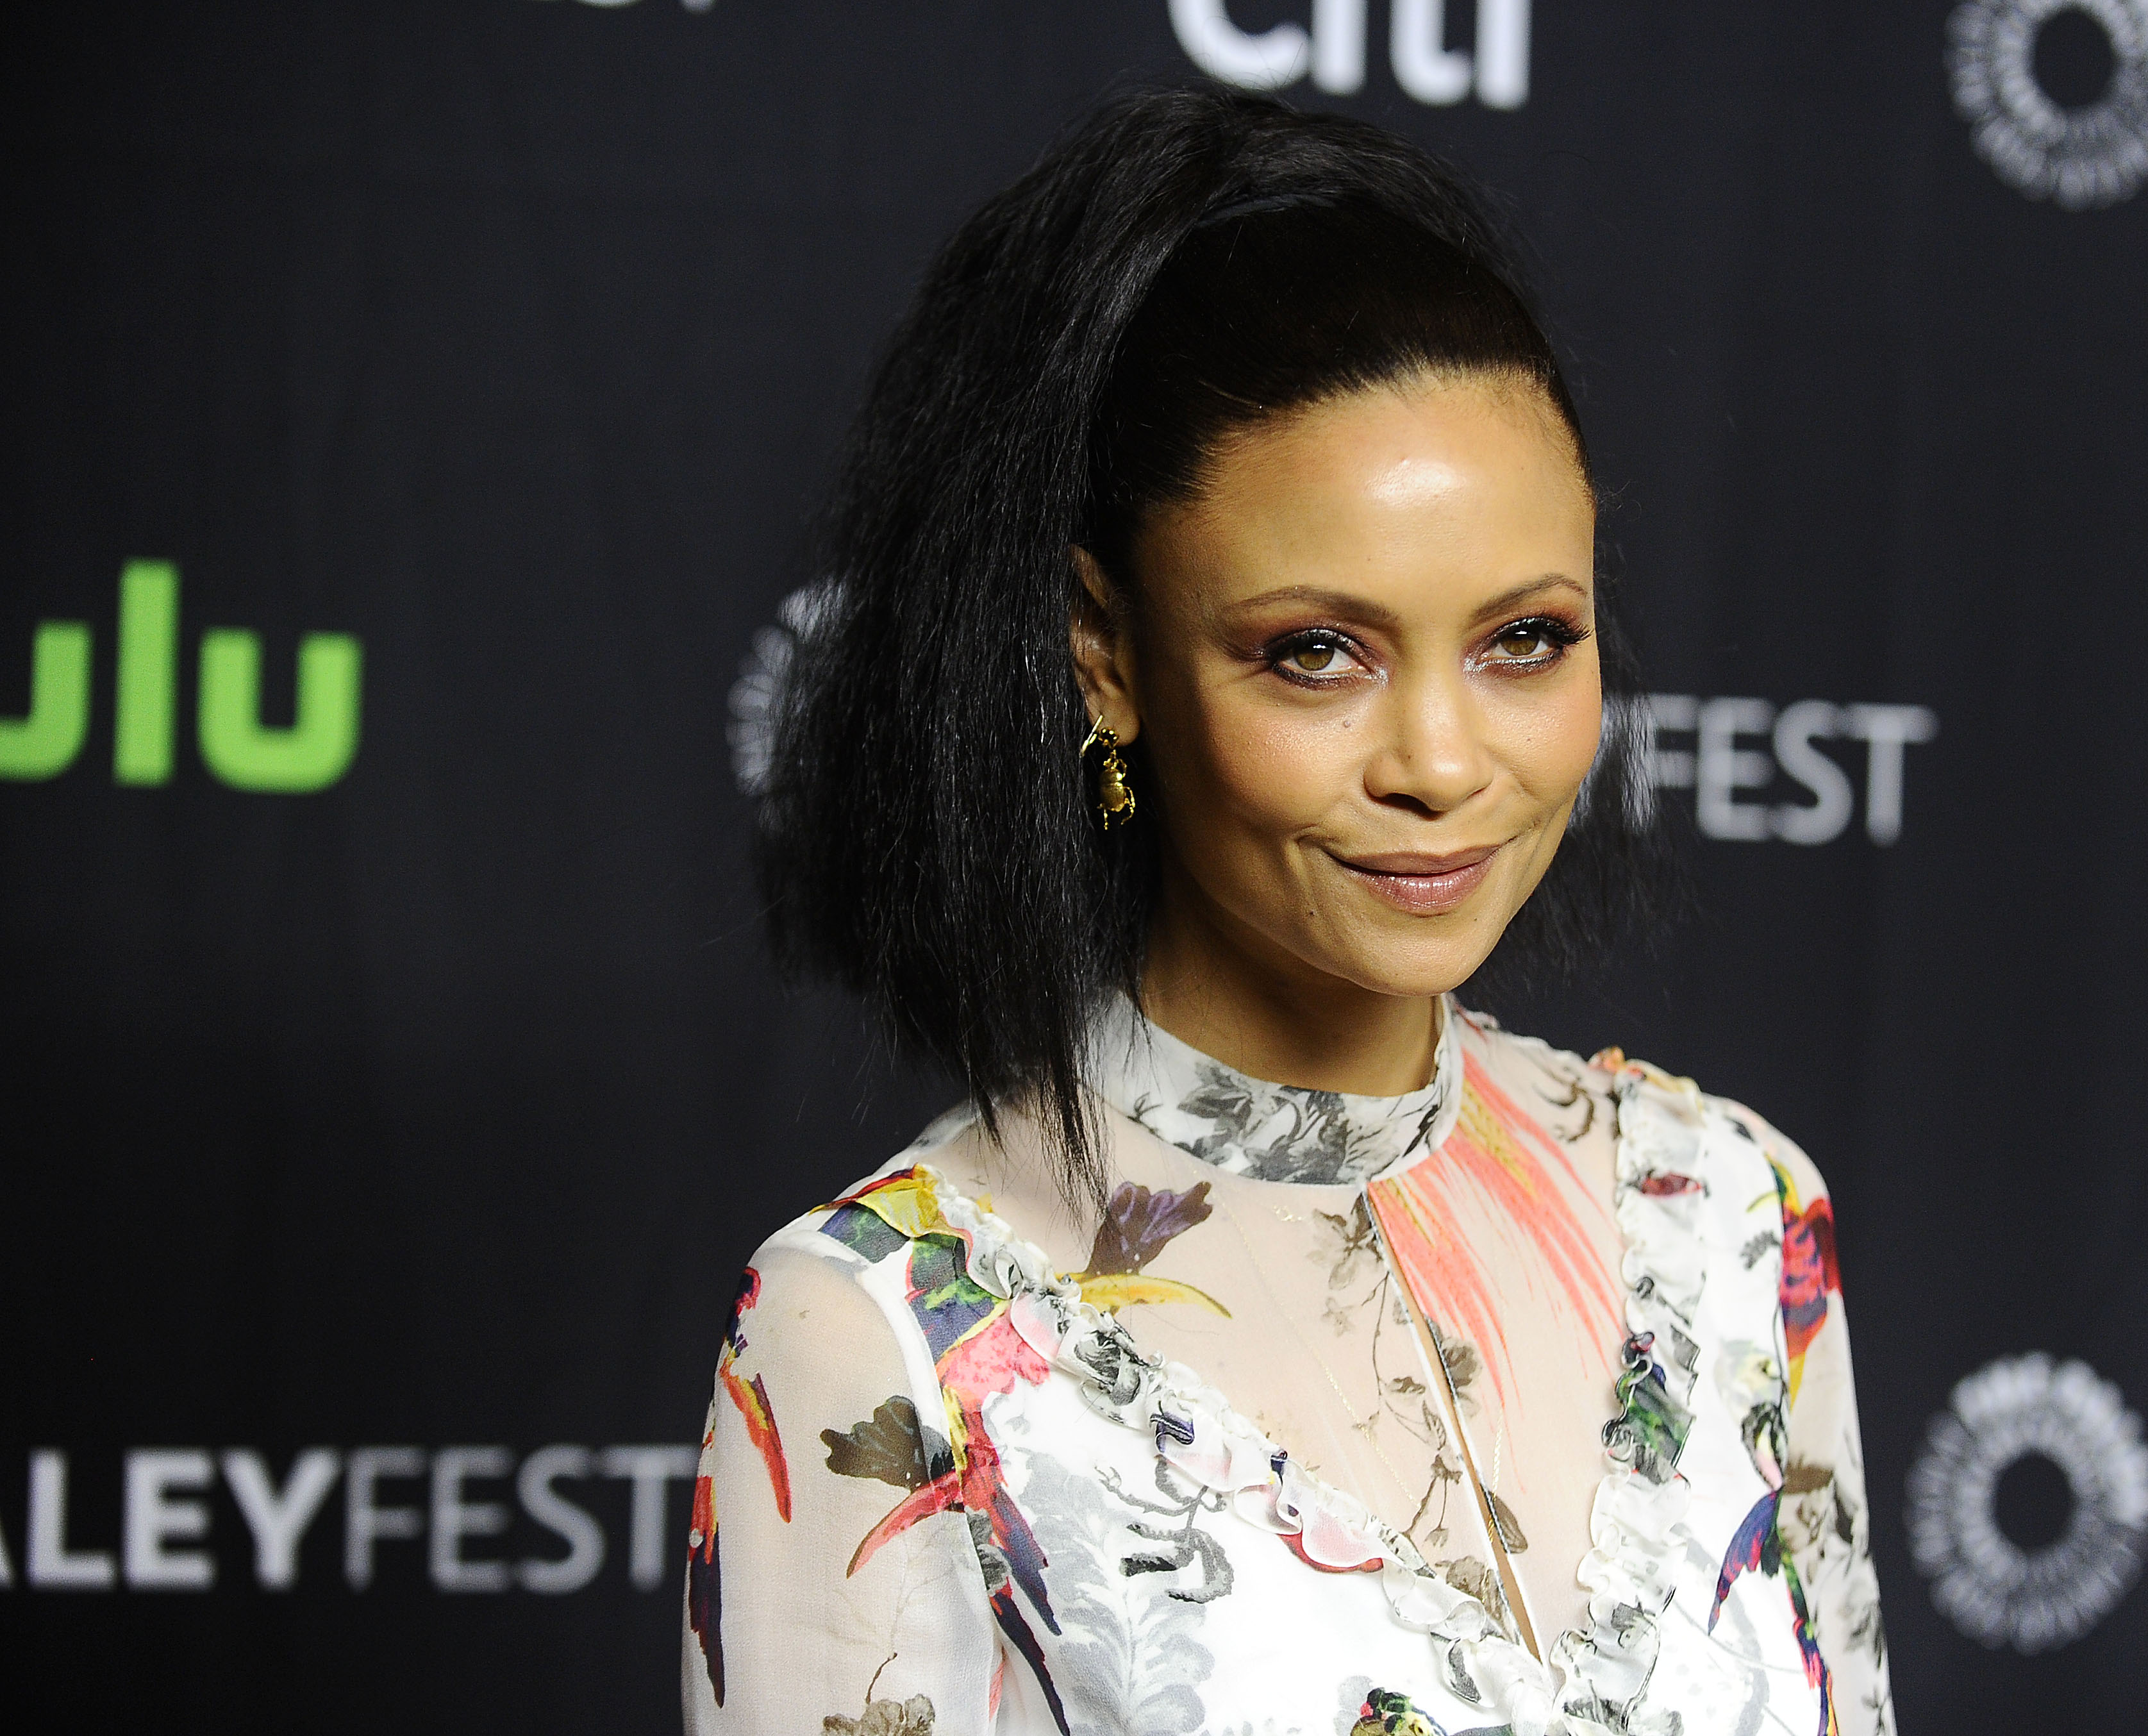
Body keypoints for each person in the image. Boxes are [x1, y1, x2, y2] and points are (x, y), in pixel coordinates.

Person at [690, 86, 1891, 1736]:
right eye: (1313, 651)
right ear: (1102, 655)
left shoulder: (1734, 1215)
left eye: (1523, 637)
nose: (1440, 760)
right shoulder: (888, 1330)